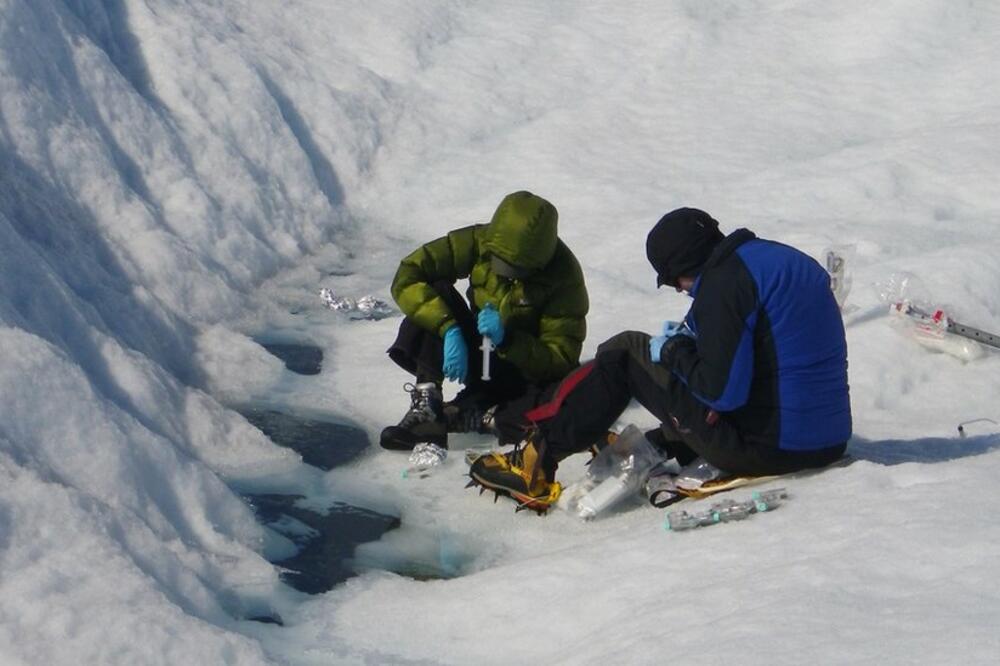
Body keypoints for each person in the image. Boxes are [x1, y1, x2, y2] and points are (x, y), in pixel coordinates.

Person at [469, 207, 852, 511]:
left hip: (769, 448)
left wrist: (675, 351)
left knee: (625, 351)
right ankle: (653, 436)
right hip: (826, 438)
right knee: (672, 373)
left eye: (673, 281)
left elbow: (722, 394)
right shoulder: (777, 260)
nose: (682, 292)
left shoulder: (723, 286)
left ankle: (537, 460)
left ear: (685, 268)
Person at [380, 191, 589, 451]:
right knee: (434, 294)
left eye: (515, 269)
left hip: (523, 372)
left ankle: (480, 414)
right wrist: (448, 329)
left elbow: (561, 359)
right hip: (479, 353)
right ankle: (428, 409)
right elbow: (410, 274)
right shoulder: (479, 242)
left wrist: (508, 339)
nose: (504, 273)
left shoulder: (564, 278)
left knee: (564, 399)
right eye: (498, 262)